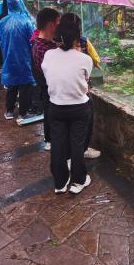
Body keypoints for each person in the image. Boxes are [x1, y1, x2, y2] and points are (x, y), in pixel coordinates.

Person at [41, 17, 93, 195]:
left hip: (55, 107)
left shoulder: (48, 55)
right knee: (77, 144)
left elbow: (49, 76)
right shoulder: (84, 59)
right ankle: (79, 180)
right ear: (77, 38)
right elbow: (85, 81)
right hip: (79, 108)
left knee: (57, 144)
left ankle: (60, 182)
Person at [60, 12, 101, 159]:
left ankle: (74, 153)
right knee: (83, 124)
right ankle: (77, 156)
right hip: (77, 91)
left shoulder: (56, 43)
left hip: (66, 92)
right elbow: (96, 60)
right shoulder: (82, 42)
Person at [0, 0, 35, 123]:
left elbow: (1, 39)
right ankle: (23, 113)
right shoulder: (26, 21)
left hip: (8, 57)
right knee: (25, 86)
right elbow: (32, 40)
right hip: (24, 58)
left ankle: (9, 111)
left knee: (12, 85)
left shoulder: (2, 22)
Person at [32, 8, 61, 150]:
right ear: (51, 25)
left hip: (48, 92)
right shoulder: (43, 48)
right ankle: (51, 141)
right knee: (50, 112)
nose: (59, 26)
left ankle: (50, 139)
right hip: (50, 91)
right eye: (58, 22)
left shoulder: (45, 43)